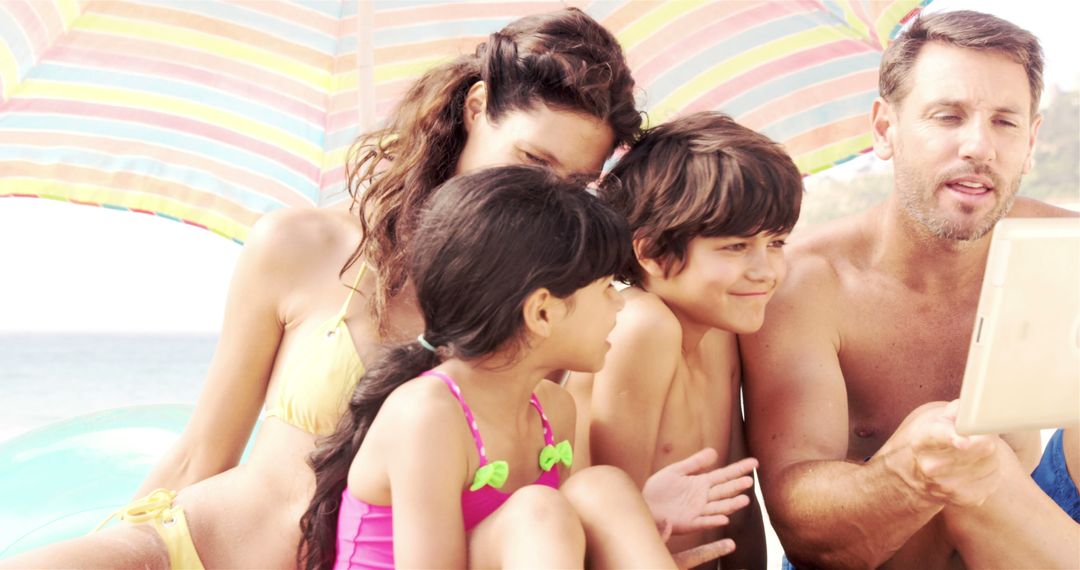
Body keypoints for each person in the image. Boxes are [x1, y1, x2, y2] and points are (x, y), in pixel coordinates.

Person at [0, 8, 641, 569]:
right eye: (533, 161)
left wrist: (634, 512)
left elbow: (533, 494)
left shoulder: (553, 311)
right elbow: (203, 451)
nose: (545, 193)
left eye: (575, 182)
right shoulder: (303, 246)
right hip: (193, 548)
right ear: (476, 109)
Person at [739, 10, 1080, 569]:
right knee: (972, 467)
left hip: (1024, 526)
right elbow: (797, 524)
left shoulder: (1066, 247)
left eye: (1004, 122)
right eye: (947, 116)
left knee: (985, 473)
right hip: (876, 546)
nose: (979, 146)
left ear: (1032, 138)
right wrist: (908, 475)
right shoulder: (805, 283)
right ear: (884, 129)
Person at [299, 165, 677, 569]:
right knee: (538, 511)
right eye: (606, 289)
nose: (619, 303)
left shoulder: (553, 410)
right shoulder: (427, 415)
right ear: (542, 312)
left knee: (603, 489)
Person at [567, 111, 803, 568]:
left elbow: (737, 498)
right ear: (653, 252)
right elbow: (618, 519)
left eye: (776, 243)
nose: (766, 271)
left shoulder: (721, 328)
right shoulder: (641, 326)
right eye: (736, 246)